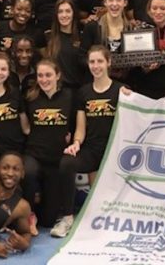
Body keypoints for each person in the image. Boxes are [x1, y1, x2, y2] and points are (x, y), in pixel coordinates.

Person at [53, 46, 125, 237]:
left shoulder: (121, 90)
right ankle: (68, 217)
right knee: (67, 162)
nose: (96, 66)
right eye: (92, 62)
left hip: (116, 151)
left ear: (108, 62)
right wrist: (76, 143)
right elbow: (80, 127)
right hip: (92, 151)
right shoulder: (83, 93)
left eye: (100, 61)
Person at [21, 60, 75, 230]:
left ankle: (42, 213)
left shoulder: (69, 96)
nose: (44, 79)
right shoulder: (30, 97)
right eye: (40, 75)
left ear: (57, 75)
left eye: (48, 75)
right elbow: (25, 127)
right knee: (28, 172)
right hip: (34, 155)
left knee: (48, 220)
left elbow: (74, 125)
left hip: (56, 159)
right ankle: (26, 215)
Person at [81, 0, 135, 83]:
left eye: (118, 0)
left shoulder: (131, 29)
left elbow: (135, 61)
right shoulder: (92, 27)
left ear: (125, 3)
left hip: (125, 84)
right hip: (97, 83)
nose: (114, 4)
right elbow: (82, 58)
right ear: (105, 2)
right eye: (111, 0)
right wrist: (99, 64)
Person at [44, 0, 87, 89]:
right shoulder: (49, 37)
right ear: (56, 15)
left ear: (73, 13)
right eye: (60, 12)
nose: (64, 15)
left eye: (68, 11)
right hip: (58, 90)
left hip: (79, 89)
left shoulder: (82, 37)